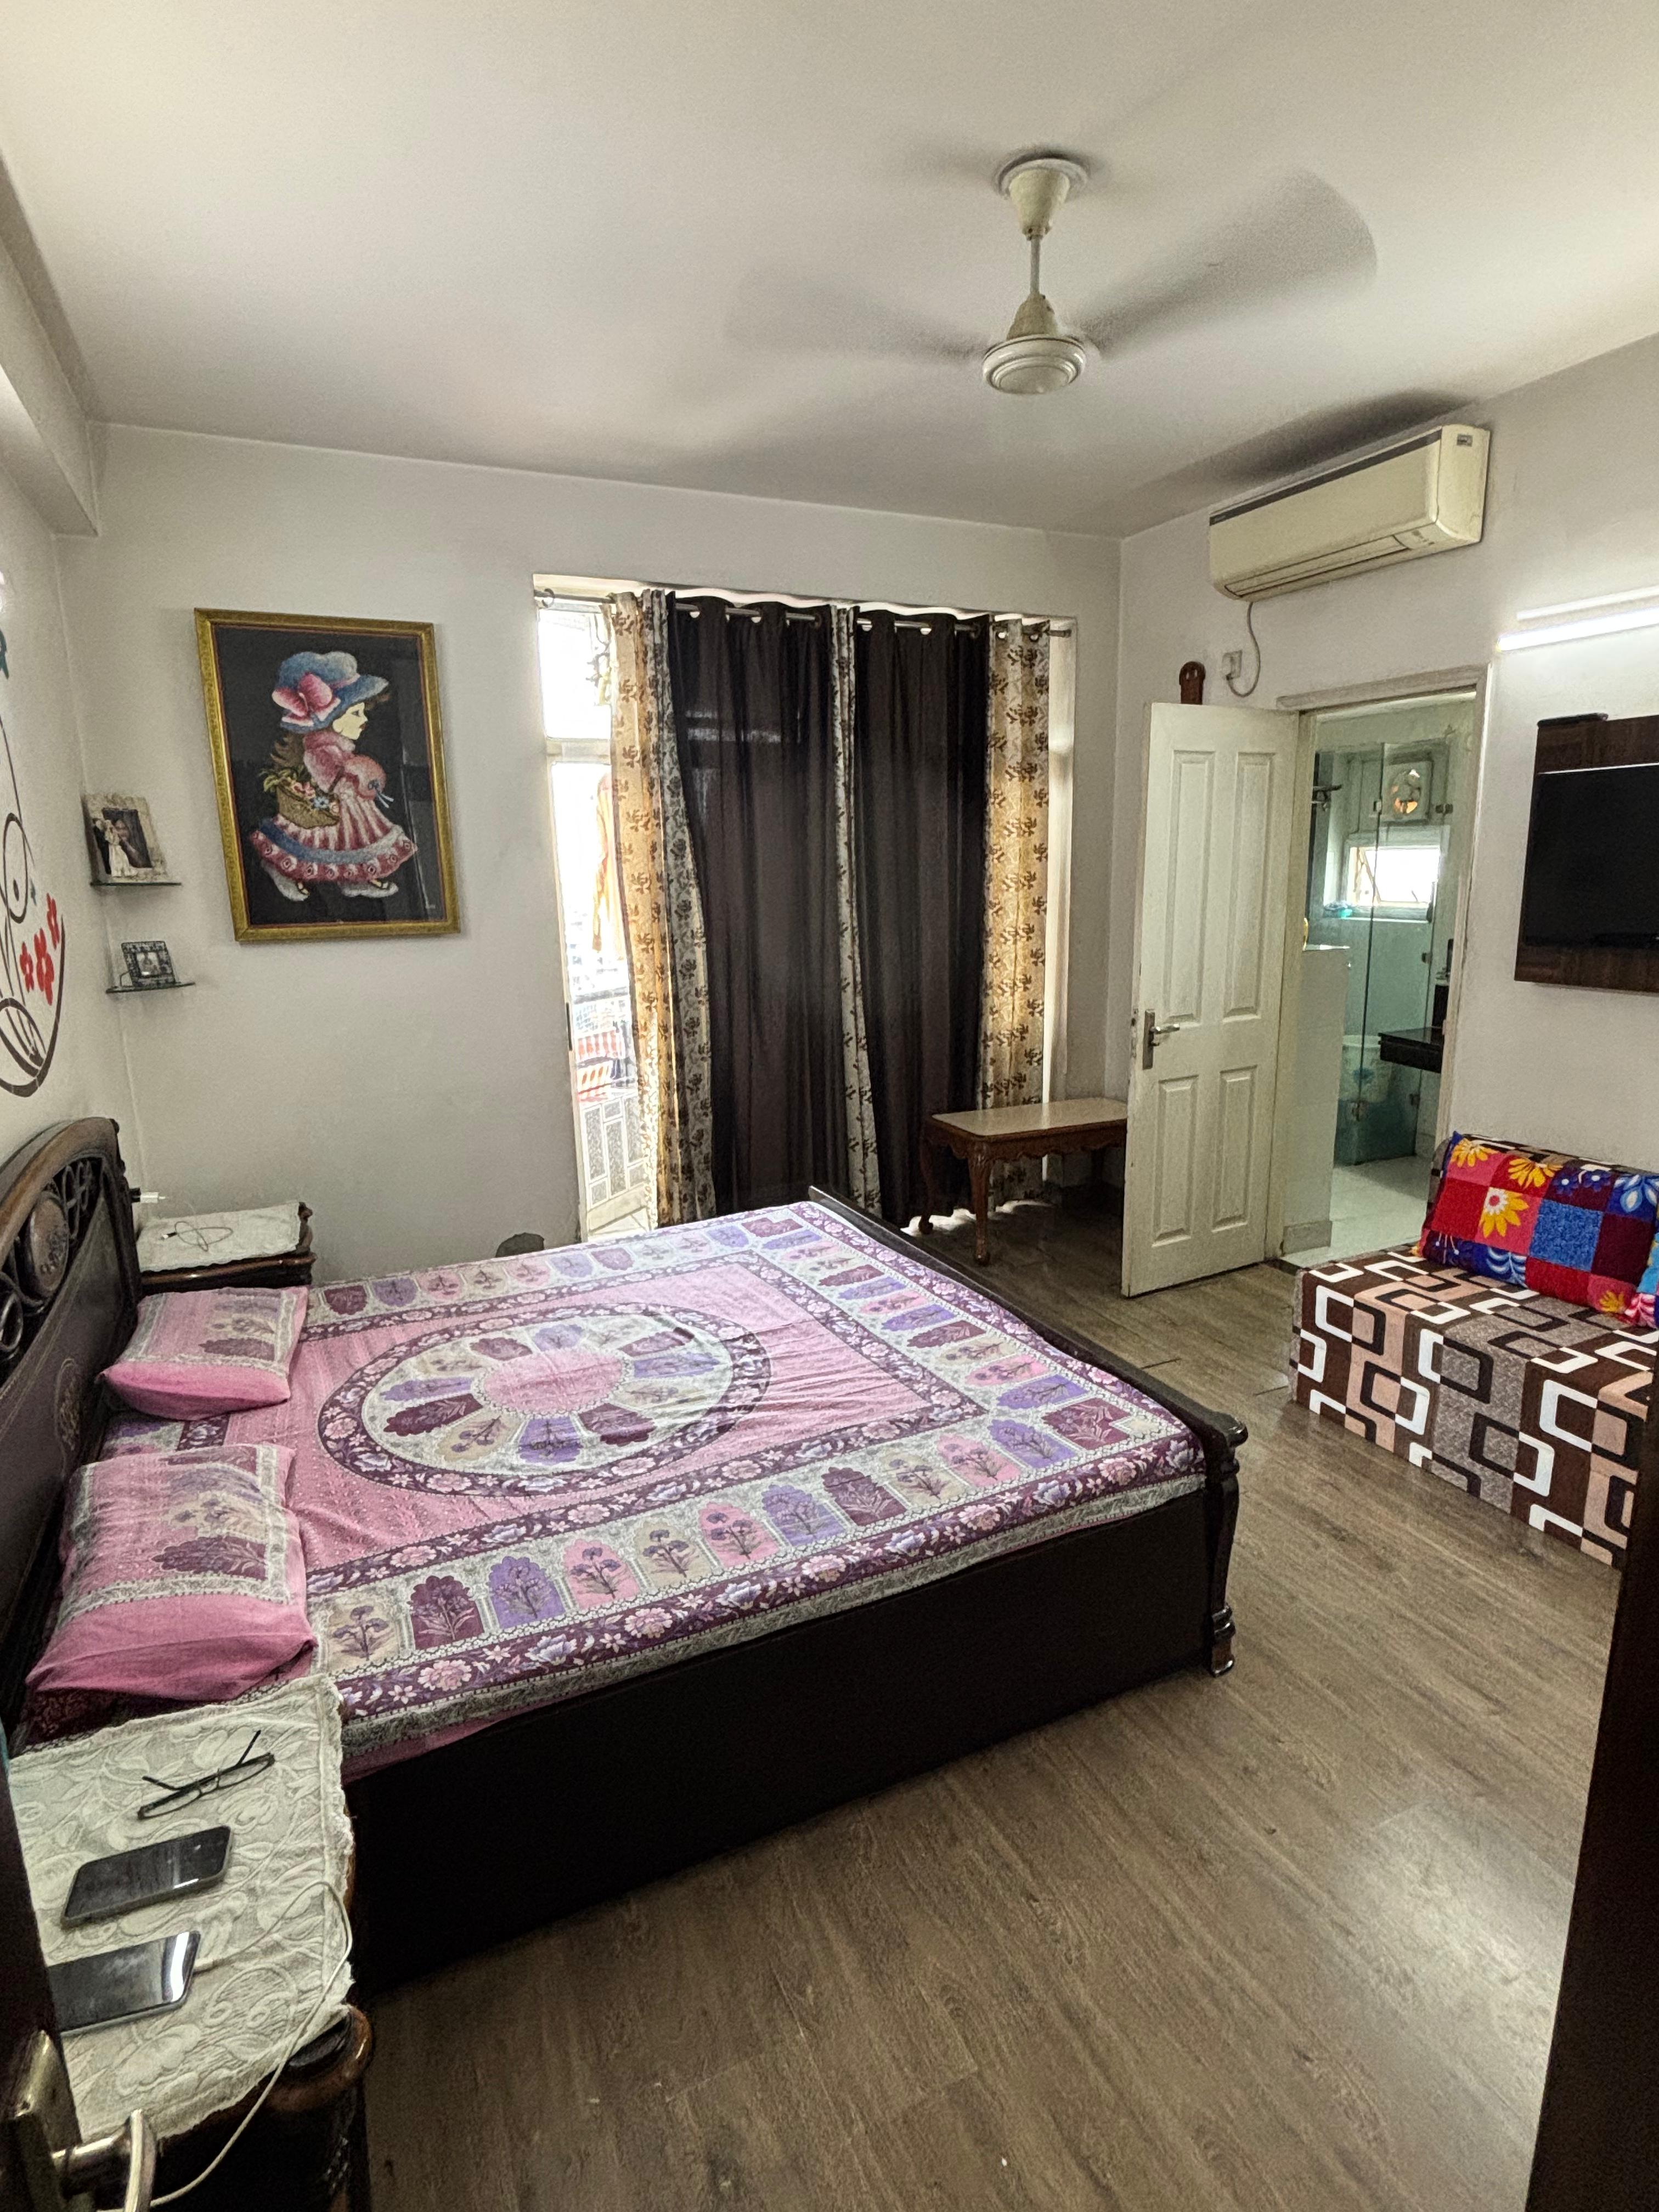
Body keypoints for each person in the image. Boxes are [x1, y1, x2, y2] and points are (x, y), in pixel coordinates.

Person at [249, 650, 417, 903]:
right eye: (356, 713)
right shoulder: (320, 750)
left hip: (351, 806)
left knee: (355, 842)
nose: (364, 720)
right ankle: (285, 870)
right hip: (331, 808)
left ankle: (355, 877)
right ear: (331, 720)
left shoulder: (341, 747)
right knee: (320, 845)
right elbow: (330, 781)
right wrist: (355, 773)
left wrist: (361, 774)